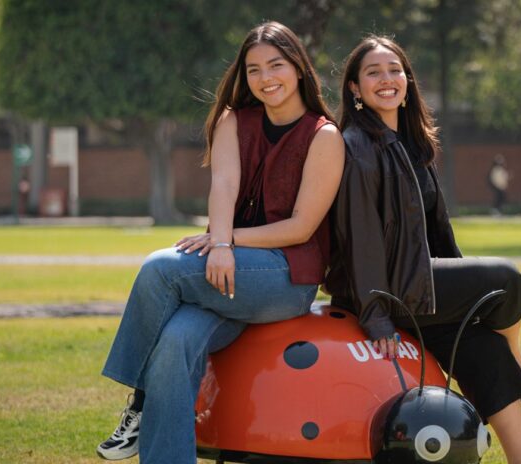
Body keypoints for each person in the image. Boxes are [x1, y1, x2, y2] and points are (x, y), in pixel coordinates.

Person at [96, 21, 344, 463]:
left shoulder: (323, 136)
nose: (265, 78)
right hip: (225, 276)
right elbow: (225, 185)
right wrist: (222, 245)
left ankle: (138, 400)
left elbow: (302, 228)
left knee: (160, 267)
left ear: (299, 68)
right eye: (253, 70)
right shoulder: (233, 120)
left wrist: (224, 242)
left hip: (285, 281)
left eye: (276, 65)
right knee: (175, 340)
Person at [325, 36, 521, 464]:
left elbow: (437, 234)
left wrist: (458, 287)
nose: (387, 79)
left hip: (424, 288)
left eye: (395, 70)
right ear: (354, 88)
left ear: (408, 81)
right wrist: (378, 317)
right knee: (503, 279)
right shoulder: (355, 146)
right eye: (373, 72)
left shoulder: (415, 144)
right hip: (392, 291)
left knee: (483, 351)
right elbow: (361, 238)